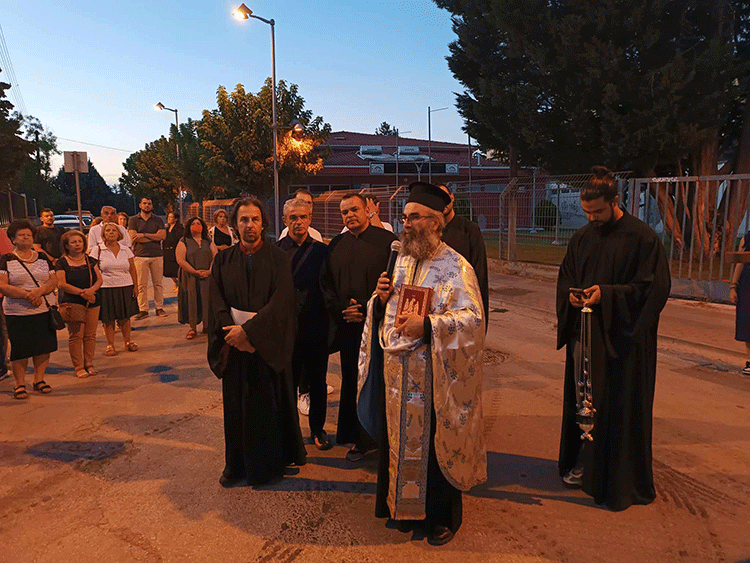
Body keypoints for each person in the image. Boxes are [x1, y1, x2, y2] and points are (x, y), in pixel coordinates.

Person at [358, 182, 486, 545]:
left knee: (432, 448)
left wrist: (429, 326)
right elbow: (388, 313)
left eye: (414, 217)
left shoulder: (456, 267)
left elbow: (474, 322)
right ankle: (402, 510)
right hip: (396, 373)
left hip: (433, 377)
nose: (406, 224)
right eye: (404, 217)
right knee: (398, 443)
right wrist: (379, 301)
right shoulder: (401, 260)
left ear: (435, 222)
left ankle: (441, 518)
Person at [556, 166, 671, 511]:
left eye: (598, 212)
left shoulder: (642, 238)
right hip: (586, 335)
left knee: (616, 406)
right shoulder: (583, 237)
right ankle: (585, 464)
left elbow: (652, 289)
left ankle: (616, 477)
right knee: (584, 403)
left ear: (616, 201)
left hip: (622, 342)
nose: (592, 218)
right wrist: (573, 298)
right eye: (587, 212)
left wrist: (605, 295)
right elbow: (567, 277)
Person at [208, 197, 306, 487]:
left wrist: (249, 333)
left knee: (268, 408)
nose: (249, 225)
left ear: (263, 223)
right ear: (235, 224)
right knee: (237, 409)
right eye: (243, 220)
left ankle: (268, 468)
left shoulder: (279, 259)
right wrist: (233, 334)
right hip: (234, 346)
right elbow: (216, 301)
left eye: (254, 219)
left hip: (266, 346)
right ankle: (236, 466)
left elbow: (281, 302)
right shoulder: (223, 260)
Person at [320, 192, 397, 461]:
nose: (350, 215)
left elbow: (396, 285)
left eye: (354, 209)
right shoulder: (336, 245)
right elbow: (326, 285)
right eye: (344, 212)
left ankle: (384, 438)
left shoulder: (388, 243)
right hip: (349, 326)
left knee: (380, 381)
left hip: (379, 325)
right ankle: (357, 437)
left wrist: (367, 307)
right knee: (352, 380)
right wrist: (345, 308)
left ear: (368, 211)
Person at [277, 197, 332, 450]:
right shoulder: (276, 252)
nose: (298, 222)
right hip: (287, 328)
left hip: (316, 325)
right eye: (293, 218)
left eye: (303, 217)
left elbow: (330, 287)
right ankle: (289, 433)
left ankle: (318, 429)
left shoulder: (322, 251)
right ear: (284, 220)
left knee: (318, 381)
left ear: (310, 219)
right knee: (286, 381)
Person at [0, 220, 58, 399]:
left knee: (43, 347)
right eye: (21, 235)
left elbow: (53, 280)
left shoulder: (42, 258)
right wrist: (28, 295)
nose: (26, 238)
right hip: (17, 312)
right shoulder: (6, 260)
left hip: (42, 309)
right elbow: (3, 286)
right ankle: (19, 383)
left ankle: (39, 379)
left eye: (29, 235)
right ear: (13, 239)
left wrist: (39, 292)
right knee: (20, 348)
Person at [438, 184, 489, 326]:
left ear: (452, 197)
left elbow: (480, 274)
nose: (443, 203)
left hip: (464, 304)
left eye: (445, 197)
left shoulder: (469, 230)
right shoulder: (431, 234)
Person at [56, 230, 103, 378]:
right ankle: (78, 366)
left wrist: (91, 291)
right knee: (76, 335)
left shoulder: (90, 260)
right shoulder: (62, 262)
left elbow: (99, 280)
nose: (77, 245)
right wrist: (82, 293)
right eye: (73, 242)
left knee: (90, 335)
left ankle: (89, 363)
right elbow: (61, 283)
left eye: (80, 242)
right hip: (73, 302)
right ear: (66, 245)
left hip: (92, 300)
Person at [91, 223, 139, 356]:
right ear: (103, 234)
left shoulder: (125, 249)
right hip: (106, 287)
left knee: (125, 317)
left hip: (125, 286)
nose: (110, 233)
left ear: (119, 234)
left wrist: (135, 286)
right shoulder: (97, 250)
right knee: (108, 318)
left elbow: (132, 268)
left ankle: (128, 342)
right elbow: (93, 269)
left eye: (113, 230)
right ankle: (110, 344)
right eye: (107, 231)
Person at [177, 217, 217, 339]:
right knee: (192, 300)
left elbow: (215, 256)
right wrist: (195, 271)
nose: (196, 225)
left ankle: (206, 325)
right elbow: (180, 260)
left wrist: (210, 270)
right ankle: (192, 328)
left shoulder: (208, 240)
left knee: (207, 300)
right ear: (188, 227)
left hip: (207, 276)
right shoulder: (184, 241)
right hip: (190, 276)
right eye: (193, 224)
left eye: (198, 223)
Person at [128, 197, 167, 319]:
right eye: (144, 203)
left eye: (149, 203)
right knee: (141, 284)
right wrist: (154, 236)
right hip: (140, 255)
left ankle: (159, 308)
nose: (147, 205)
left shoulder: (158, 220)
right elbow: (133, 237)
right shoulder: (133, 220)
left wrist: (143, 235)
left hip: (157, 255)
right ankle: (143, 309)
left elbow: (163, 236)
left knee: (158, 283)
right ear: (140, 205)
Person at [163, 211, 185, 293]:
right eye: (168, 217)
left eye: (171, 217)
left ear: (176, 219)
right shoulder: (166, 228)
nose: (169, 219)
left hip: (176, 250)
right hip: (167, 251)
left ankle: (179, 284)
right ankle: (175, 282)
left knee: (176, 270)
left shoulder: (180, 228)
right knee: (168, 271)